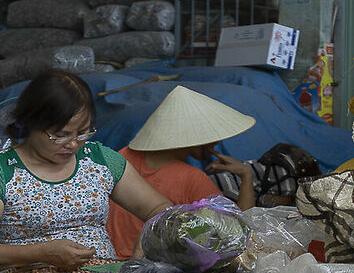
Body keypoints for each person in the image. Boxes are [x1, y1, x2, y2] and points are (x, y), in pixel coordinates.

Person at [0, 70, 178, 273]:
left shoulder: (99, 160)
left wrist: (150, 233)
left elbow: (160, 209)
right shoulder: (0, 170)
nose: (72, 144)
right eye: (60, 135)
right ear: (30, 123)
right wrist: (40, 253)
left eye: (82, 132)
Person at [105, 84, 258, 258]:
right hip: (147, 267)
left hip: (107, 259)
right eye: (212, 137)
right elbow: (238, 235)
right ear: (195, 138)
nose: (216, 143)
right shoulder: (191, 178)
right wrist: (246, 175)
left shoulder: (121, 156)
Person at [207, 142, 325, 211]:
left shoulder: (251, 169)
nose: (288, 204)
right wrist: (246, 175)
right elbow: (245, 222)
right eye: (289, 198)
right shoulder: (231, 190)